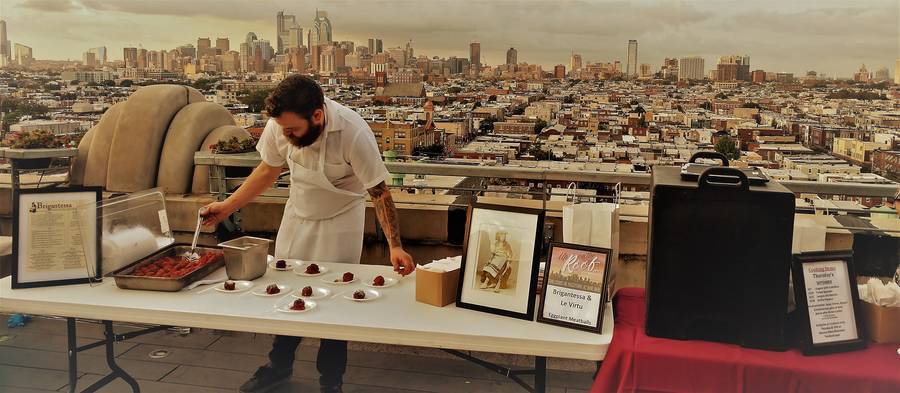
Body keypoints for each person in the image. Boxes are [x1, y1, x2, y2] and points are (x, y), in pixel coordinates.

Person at [201, 75, 415, 393]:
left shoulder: (353, 131)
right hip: (298, 216)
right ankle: (278, 366)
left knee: (337, 306)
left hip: (341, 220)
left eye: (292, 130)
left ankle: (331, 382)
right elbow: (268, 169)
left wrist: (395, 246)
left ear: (317, 115)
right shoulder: (280, 125)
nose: (285, 135)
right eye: (282, 129)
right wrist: (227, 207)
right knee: (287, 292)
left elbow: (379, 191)